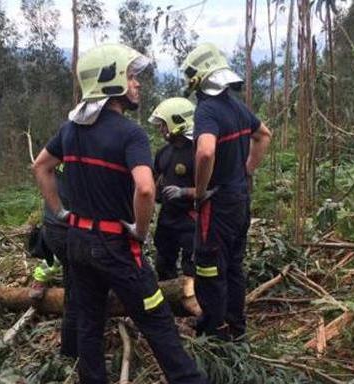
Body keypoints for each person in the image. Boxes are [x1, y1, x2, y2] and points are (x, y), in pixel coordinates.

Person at [33, 43, 207, 384]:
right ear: (110, 81)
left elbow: (41, 166)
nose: (137, 83)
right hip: (117, 245)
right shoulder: (130, 133)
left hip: (78, 242)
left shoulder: (70, 130)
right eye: (130, 76)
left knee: (89, 323)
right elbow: (145, 188)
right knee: (156, 316)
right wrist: (140, 231)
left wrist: (61, 212)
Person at [180, 43, 272, 341]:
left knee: (208, 267)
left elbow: (205, 152)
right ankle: (236, 326)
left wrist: (200, 190)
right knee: (233, 264)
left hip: (217, 203)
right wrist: (247, 168)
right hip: (240, 199)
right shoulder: (237, 107)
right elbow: (264, 135)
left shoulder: (207, 110)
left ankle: (215, 330)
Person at [29, 163, 77, 358]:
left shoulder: (60, 156)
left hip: (57, 226)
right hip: (64, 229)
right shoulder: (73, 158)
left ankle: (70, 349)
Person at [148, 97, 197, 280]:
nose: (161, 129)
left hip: (191, 217)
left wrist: (184, 192)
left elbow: (211, 188)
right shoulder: (163, 152)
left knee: (191, 266)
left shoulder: (198, 152)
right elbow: (153, 177)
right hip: (167, 217)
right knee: (163, 262)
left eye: (164, 125)